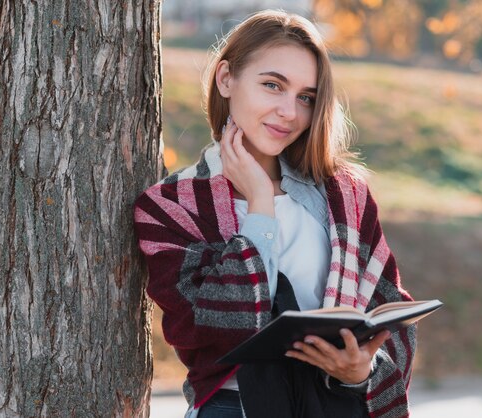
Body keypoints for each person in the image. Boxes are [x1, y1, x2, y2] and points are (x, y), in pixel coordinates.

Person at [134, 9, 416, 418]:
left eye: (306, 97)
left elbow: (389, 309)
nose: (290, 111)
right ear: (226, 78)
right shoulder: (171, 206)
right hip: (234, 409)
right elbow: (209, 328)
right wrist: (260, 207)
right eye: (272, 85)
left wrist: (361, 370)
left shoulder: (345, 194)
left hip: (336, 405)